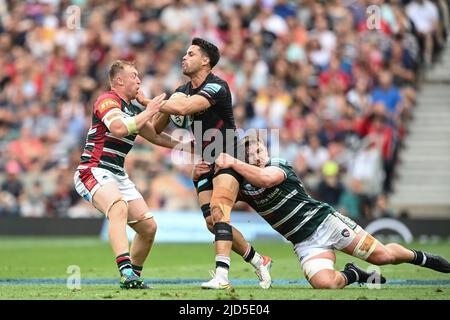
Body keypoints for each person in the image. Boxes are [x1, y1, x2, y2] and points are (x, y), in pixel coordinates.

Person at [193, 135, 450, 289]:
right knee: (325, 284)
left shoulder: (278, 165)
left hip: (326, 223)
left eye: (259, 150)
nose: (257, 156)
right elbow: (217, 211)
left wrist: (233, 161)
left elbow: (265, 180)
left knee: (383, 257)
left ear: (266, 149)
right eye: (251, 155)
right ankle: (355, 274)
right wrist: (200, 181)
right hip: (304, 243)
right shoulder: (244, 183)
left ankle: (422, 258)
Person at [137, 38, 272, 290]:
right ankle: (258, 259)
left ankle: (222, 276)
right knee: (212, 223)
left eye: (190, 54)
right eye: (185, 54)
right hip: (205, 160)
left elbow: (188, 107)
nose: (184, 57)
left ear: (205, 61)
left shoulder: (217, 86)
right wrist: (165, 112)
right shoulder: (181, 90)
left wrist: (149, 102)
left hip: (230, 156)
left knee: (220, 210)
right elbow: (156, 130)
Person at [73, 60, 187, 289]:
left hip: (117, 174)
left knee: (148, 228)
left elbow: (155, 136)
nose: (139, 80)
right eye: (134, 76)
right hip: (93, 169)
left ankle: (132, 276)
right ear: (119, 81)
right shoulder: (107, 100)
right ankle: (125, 270)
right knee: (118, 206)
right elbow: (118, 128)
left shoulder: (133, 110)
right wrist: (150, 110)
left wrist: (189, 147)